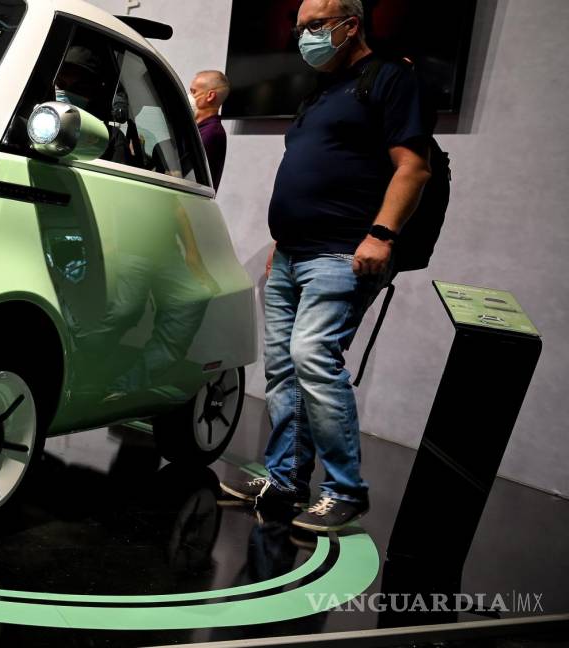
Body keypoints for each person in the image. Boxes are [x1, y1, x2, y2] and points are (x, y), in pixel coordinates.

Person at [220, 0, 432, 533]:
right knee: (283, 369)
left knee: (313, 357)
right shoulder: (320, 92)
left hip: (342, 254)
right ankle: (285, 479)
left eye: (314, 26)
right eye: (299, 28)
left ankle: (345, 491)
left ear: (350, 25)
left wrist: (381, 235)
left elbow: (414, 166)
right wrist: (280, 240)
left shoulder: (389, 78)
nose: (304, 37)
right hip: (291, 253)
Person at [188, 70, 230, 191]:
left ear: (210, 96)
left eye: (193, 92)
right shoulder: (198, 128)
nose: (189, 96)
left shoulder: (213, 133)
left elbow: (184, 171)